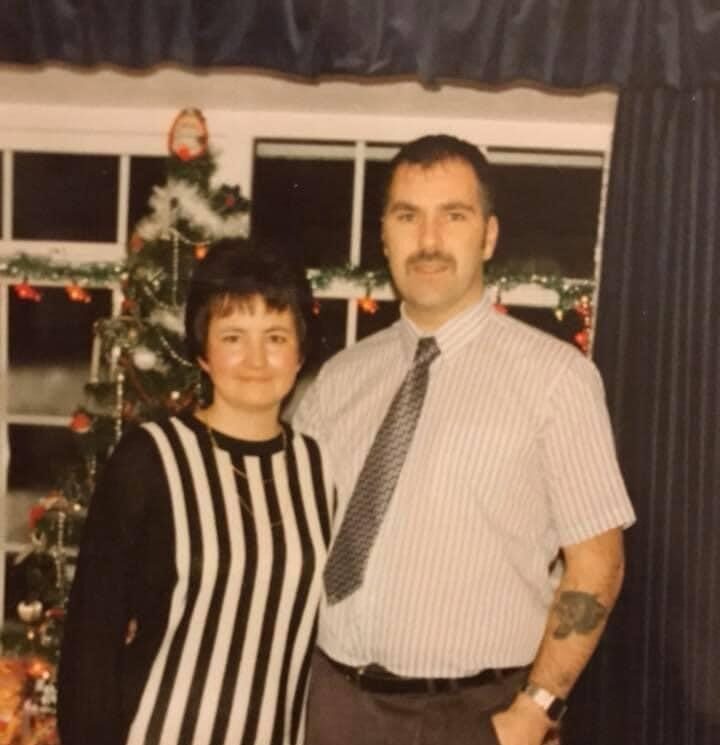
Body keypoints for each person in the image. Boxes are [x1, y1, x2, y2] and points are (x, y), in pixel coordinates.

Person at [293, 134, 636, 745]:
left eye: (454, 216)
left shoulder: (557, 379)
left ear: (489, 235)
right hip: (333, 706)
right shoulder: (337, 382)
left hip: (478, 717)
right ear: (384, 236)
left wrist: (534, 710)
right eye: (408, 216)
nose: (428, 241)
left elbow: (598, 562)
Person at [58, 238, 333, 745]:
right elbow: (89, 642)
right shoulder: (150, 458)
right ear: (203, 352)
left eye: (275, 336)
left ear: (300, 351)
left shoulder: (321, 468)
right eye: (233, 336)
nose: (256, 359)